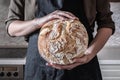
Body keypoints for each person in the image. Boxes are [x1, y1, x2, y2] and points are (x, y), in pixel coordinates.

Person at [5, 0, 115, 80]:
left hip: (82, 64)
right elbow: (11, 27)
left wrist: (89, 55)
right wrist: (39, 22)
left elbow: (106, 23)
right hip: (39, 67)